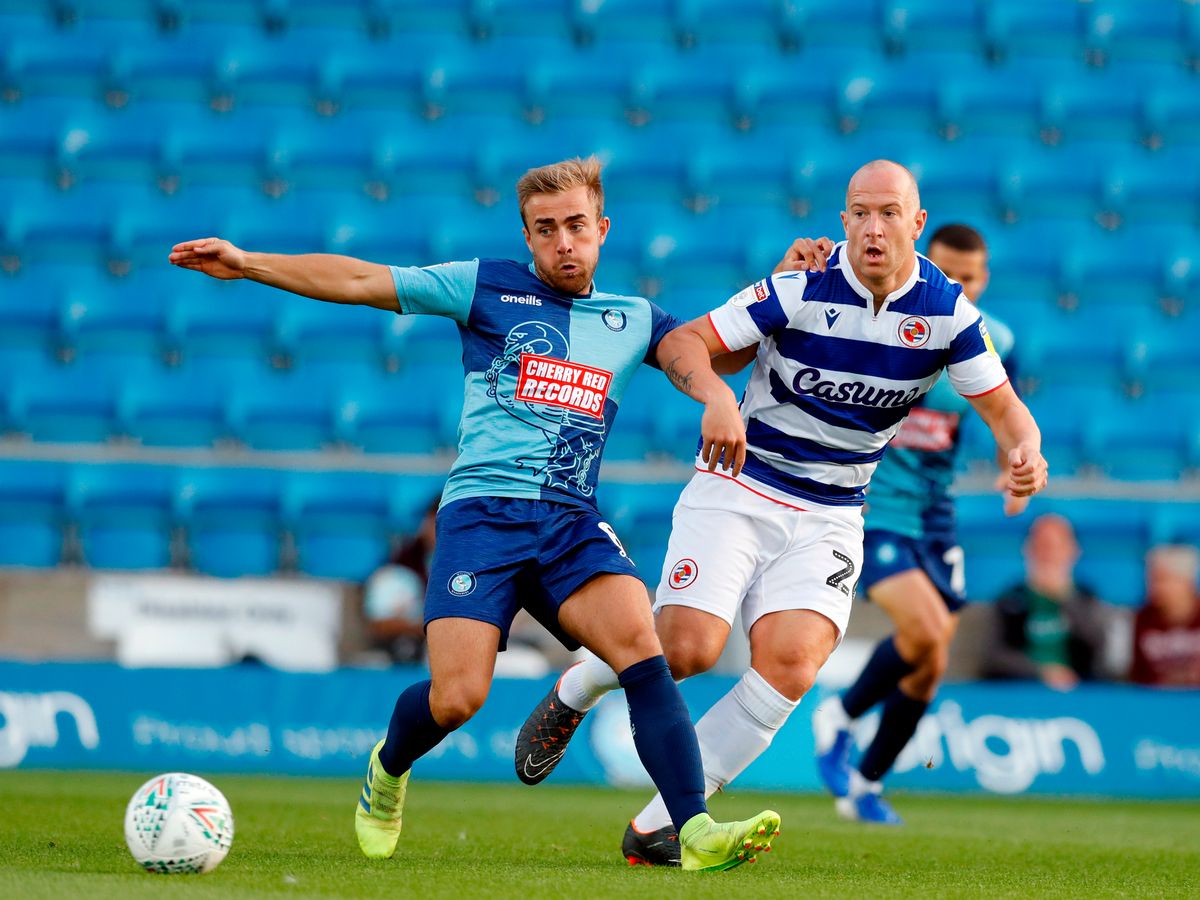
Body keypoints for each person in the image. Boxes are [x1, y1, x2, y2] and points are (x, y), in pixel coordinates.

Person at [168, 156, 781, 872]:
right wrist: (249, 264)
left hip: (569, 522)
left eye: (576, 226)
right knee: (458, 698)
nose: (562, 242)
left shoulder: (632, 318)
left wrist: (713, 390)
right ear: (527, 235)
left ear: (602, 229)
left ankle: (694, 828)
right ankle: (388, 769)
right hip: (480, 520)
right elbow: (366, 280)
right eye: (546, 229)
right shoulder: (484, 287)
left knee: (644, 655)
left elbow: (693, 345)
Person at [513, 160, 1048, 865]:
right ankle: (577, 685)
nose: (874, 226)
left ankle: (659, 828)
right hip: (740, 486)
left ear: (916, 225)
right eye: (860, 211)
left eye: (890, 212)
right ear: (844, 220)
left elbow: (1007, 414)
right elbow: (689, 342)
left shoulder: (948, 314)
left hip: (832, 511)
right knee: (689, 650)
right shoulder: (797, 288)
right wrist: (716, 397)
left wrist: (1025, 456)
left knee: (793, 665)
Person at [811, 223, 1023, 826]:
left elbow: (1001, 411)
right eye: (946, 272)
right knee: (926, 633)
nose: (955, 285)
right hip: (874, 507)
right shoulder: (886, 323)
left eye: (969, 278)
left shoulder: (997, 339)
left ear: (984, 282)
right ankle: (841, 715)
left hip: (935, 514)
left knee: (930, 662)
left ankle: (864, 783)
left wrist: (1017, 463)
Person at [981, 514, 1109, 686]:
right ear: (1028, 550)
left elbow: (1099, 653)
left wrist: (1066, 599)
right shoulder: (1011, 600)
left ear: (1073, 551)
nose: (1048, 554)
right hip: (1021, 694)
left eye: (1056, 546)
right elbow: (995, 657)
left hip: (1078, 696)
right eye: (1041, 546)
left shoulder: (1087, 598)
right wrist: (1041, 672)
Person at [362, 496, 439, 665]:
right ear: (426, 524)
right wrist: (431, 627)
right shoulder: (396, 571)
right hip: (405, 648)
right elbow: (380, 625)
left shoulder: (480, 570)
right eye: (438, 521)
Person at [1131, 544, 1200, 687]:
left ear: (1186, 581)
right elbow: (1135, 676)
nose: (1155, 587)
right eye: (1151, 580)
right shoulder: (1141, 619)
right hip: (1156, 703)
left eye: (1163, 579)